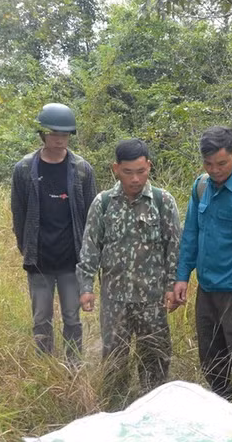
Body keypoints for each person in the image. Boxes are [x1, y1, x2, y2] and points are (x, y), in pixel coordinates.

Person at [76, 139, 182, 408]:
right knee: (114, 363)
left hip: (152, 301)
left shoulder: (162, 201)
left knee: (155, 361)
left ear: (149, 166)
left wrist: (172, 285)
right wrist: (86, 286)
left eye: (141, 171)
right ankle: (115, 414)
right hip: (115, 302)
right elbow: (90, 247)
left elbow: (174, 247)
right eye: (128, 172)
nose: (135, 179)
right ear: (115, 169)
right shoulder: (103, 203)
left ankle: (153, 412)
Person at [173, 126, 232, 414]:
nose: (215, 170)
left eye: (222, 163)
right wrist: (182, 275)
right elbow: (190, 233)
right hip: (207, 291)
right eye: (208, 164)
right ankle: (222, 414)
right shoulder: (200, 186)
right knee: (211, 360)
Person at [11, 103, 97, 363]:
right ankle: (45, 367)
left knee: (72, 317)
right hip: (39, 258)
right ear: (42, 134)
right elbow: (19, 213)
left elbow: (91, 216)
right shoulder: (25, 169)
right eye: (53, 134)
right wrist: (26, 247)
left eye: (65, 134)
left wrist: (89, 258)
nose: (59, 140)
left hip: (72, 258)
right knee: (41, 319)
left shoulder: (82, 169)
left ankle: (73, 367)